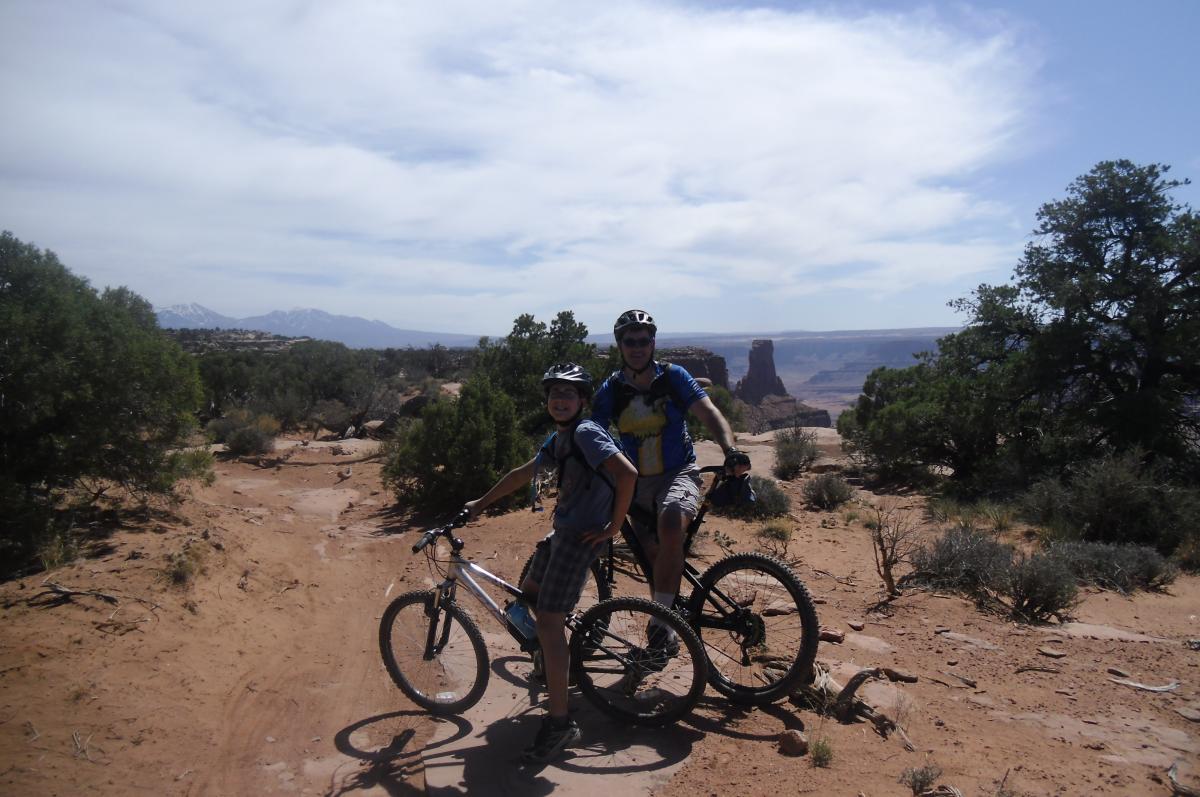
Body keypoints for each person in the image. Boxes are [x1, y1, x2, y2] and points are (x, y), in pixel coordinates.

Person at [464, 362, 636, 765]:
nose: (560, 401)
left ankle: (560, 722)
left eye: (569, 394)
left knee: (548, 621)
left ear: (582, 401)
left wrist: (613, 527)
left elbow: (627, 474)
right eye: (554, 394)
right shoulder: (559, 437)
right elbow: (524, 473)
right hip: (563, 532)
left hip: (580, 538)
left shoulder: (587, 432)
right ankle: (550, 660)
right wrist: (480, 503)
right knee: (530, 594)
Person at [590, 309, 750, 641]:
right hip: (635, 483)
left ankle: (661, 625)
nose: (638, 347)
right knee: (650, 555)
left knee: (670, 521)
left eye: (644, 341)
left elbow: (709, 412)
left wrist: (728, 449)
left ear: (653, 343)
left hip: (678, 472)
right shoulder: (612, 391)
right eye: (630, 341)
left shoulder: (673, 376)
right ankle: (667, 619)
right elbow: (594, 434)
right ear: (620, 344)